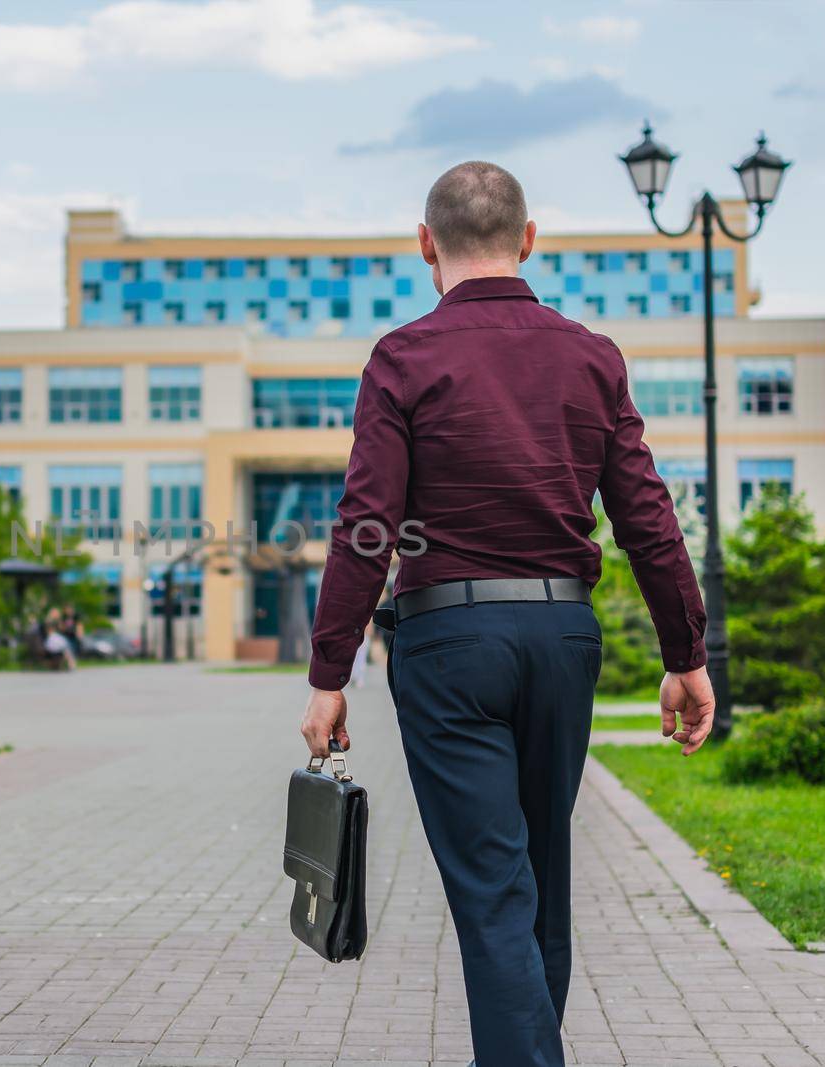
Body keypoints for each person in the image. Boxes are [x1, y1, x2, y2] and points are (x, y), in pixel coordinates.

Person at [299, 162, 716, 1067]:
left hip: (449, 645)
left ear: (425, 244)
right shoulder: (591, 356)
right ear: (529, 239)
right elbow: (647, 513)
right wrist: (688, 652)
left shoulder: (403, 358)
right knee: (537, 887)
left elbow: (367, 526)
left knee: (495, 894)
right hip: (563, 639)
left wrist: (330, 673)